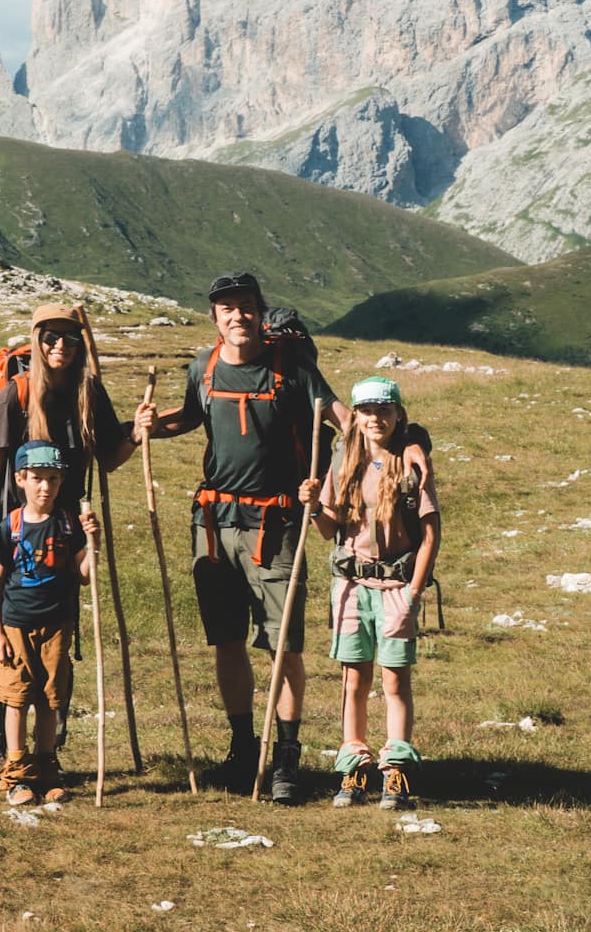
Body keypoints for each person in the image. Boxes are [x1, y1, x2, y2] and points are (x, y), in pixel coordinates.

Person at [137, 271, 350, 802]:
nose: (238, 316)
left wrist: (337, 487)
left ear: (260, 311)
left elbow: (345, 423)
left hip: (277, 527)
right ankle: (240, 749)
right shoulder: (202, 370)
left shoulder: (294, 370)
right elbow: (188, 418)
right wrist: (149, 424)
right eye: (227, 308)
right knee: (226, 640)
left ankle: (286, 760)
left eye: (246, 306)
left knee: (283, 648)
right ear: (215, 317)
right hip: (213, 525)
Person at [0, 303, 146, 782]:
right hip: (13, 534)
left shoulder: (90, 392)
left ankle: (47, 753)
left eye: (69, 337)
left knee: (55, 644)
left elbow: (108, 458)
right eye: (50, 337)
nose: (59, 346)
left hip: (65, 539)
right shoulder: (16, 394)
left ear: (81, 343)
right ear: (37, 339)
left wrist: (136, 435)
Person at [301, 375, 439, 810]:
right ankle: (353, 764)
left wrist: (414, 593)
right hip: (351, 586)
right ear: (356, 417)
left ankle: (396, 767)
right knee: (353, 680)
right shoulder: (344, 463)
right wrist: (311, 507)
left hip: (396, 586)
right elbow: (328, 530)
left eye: (384, 410)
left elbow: (431, 534)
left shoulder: (412, 464)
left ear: (399, 415)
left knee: (395, 680)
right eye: (366, 411)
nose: (375, 418)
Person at [0, 441, 99, 805]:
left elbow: (83, 575)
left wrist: (94, 543)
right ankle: (17, 774)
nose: (45, 487)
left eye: (53, 478)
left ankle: (48, 769)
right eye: (36, 478)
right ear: (20, 479)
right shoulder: (11, 525)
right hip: (16, 625)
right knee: (17, 697)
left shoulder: (68, 524)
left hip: (57, 625)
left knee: (51, 699)